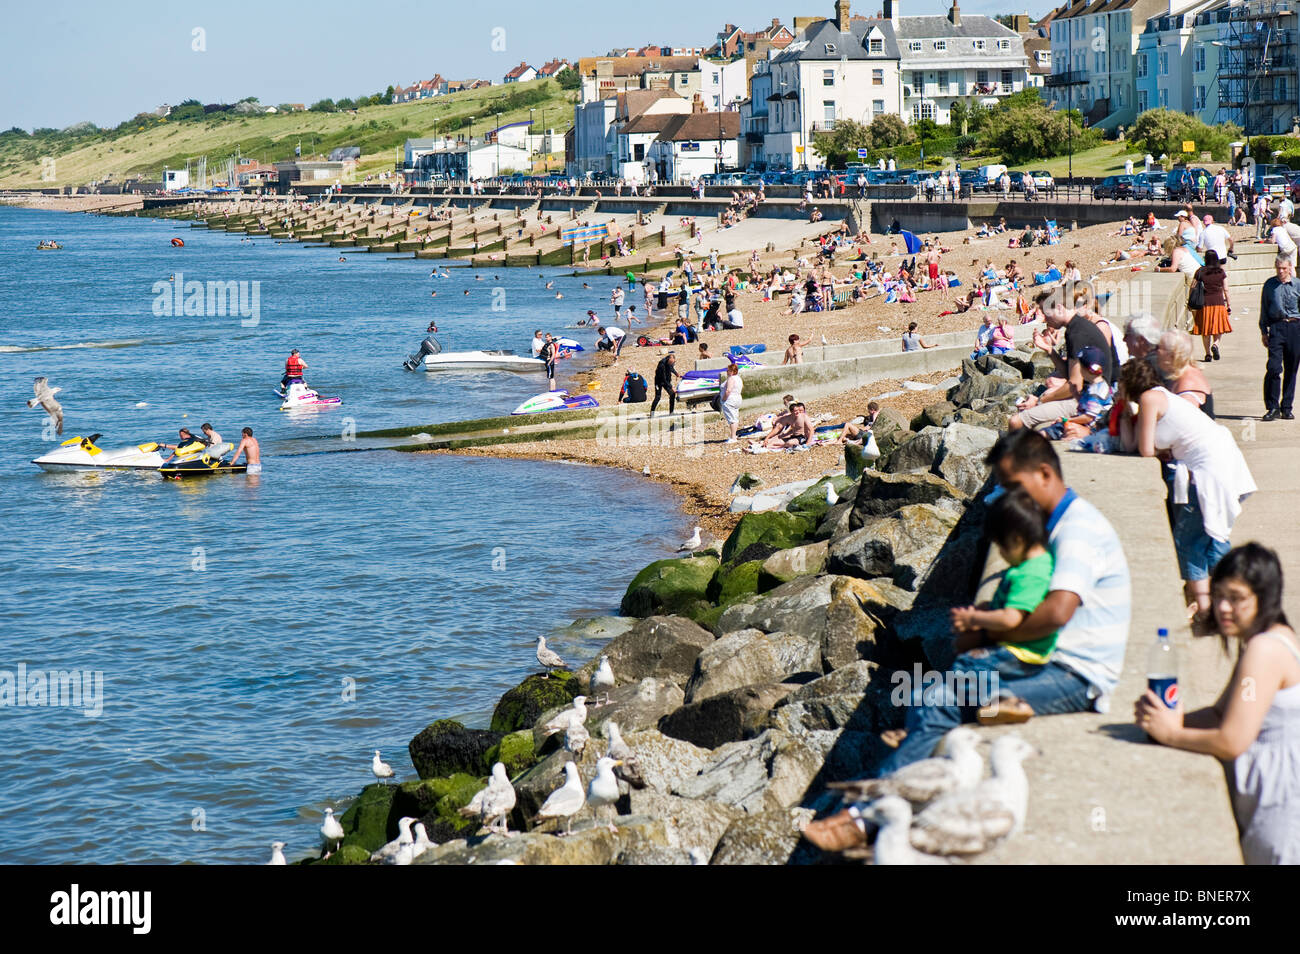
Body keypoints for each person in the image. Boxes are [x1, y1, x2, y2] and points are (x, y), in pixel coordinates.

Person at [870, 430, 1131, 773]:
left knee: (941, 699)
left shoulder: (1077, 530)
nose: (1007, 496)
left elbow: (1057, 612)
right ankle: (898, 768)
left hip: (1076, 675)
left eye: (1013, 485)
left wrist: (982, 635)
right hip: (1047, 659)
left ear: (1045, 474)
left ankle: (869, 809)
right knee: (936, 694)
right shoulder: (1051, 524)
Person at [1135, 543, 1300, 864]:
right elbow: (1220, 713)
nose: (1223, 607)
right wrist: (1165, 718)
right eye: (1219, 594)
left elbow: (1232, 740)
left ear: (1264, 598)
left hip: (1282, 810)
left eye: (1236, 598)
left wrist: (1170, 733)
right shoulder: (1273, 636)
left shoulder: (1264, 650)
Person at [1118, 357, 1256, 625]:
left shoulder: (1148, 399)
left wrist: (1127, 408)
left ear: (1130, 383)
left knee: (1189, 541)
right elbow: (1134, 445)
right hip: (1221, 461)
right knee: (1213, 539)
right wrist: (1125, 413)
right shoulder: (1160, 395)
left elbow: (1144, 451)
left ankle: (1206, 611)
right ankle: (1236, 601)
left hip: (1205, 471)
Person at [1260, 254, 1300, 421]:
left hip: (1295, 327)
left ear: (1290, 267)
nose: (1281, 271)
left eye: (1284, 268)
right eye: (1278, 268)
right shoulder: (1270, 285)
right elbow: (1264, 308)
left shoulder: (1297, 285)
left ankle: (1286, 407)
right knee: (1274, 367)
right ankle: (1272, 406)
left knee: (1291, 369)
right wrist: (1264, 331)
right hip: (1276, 327)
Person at [1192, 250, 1232, 363]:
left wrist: (1191, 301)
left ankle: (1208, 354)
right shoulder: (1221, 272)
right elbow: (1226, 290)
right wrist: (1229, 304)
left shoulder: (1200, 271)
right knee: (1218, 328)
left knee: (1206, 331)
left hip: (1204, 304)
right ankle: (1215, 344)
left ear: (1205, 259)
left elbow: (1192, 286)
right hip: (1218, 303)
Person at [720, 361, 743, 443]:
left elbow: (728, 390)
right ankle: (734, 435)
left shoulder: (731, 378)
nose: (727, 372)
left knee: (731, 418)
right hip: (737, 398)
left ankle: (733, 437)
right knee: (735, 417)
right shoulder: (738, 378)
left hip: (730, 400)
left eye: (728, 370)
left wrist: (723, 399)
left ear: (732, 371)